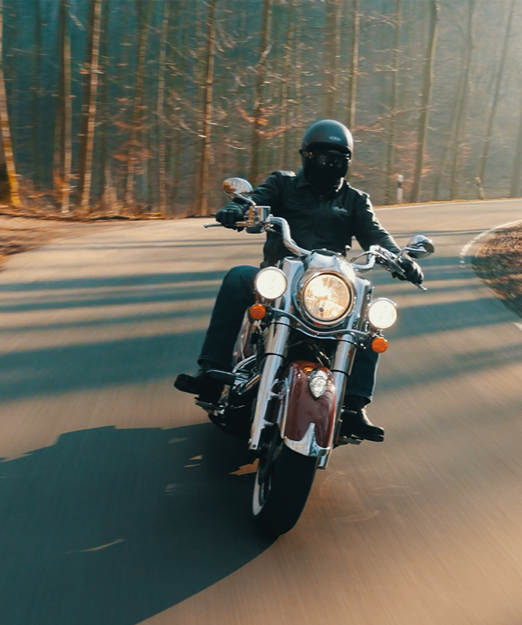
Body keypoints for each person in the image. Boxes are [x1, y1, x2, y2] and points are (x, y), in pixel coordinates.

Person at [175, 119, 423, 442]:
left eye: (339, 158)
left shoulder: (355, 200)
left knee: (368, 308)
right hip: (279, 279)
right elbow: (256, 200)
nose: (330, 163)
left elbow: (377, 235)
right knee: (238, 276)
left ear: (348, 162)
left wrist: (401, 259)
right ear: (306, 155)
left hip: (328, 289)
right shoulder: (283, 184)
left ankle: (354, 404)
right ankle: (211, 372)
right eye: (323, 156)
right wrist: (238, 207)